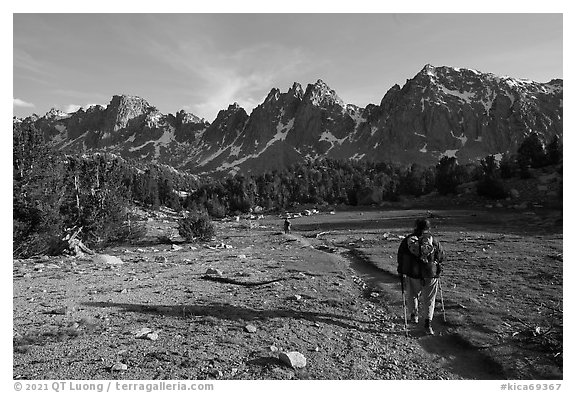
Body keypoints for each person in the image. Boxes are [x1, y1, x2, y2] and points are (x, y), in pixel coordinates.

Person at [397, 218, 444, 335]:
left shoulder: (408, 240)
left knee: (412, 294)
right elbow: (441, 257)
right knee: (429, 299)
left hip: (413, 273)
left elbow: (401, 257)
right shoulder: (434, 241)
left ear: (415, 227)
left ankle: (414, 315)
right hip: (430, 274)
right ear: (428, 228)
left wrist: (401, 270)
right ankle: (428, 323)